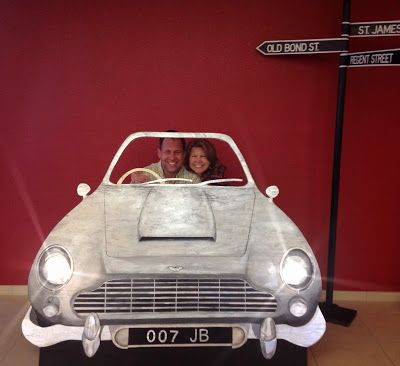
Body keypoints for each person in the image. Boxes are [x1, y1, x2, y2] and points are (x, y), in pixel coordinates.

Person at [131, 133, 200, 184]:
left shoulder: (193, 180)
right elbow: (131, 200)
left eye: (177, 152)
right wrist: (135, 185)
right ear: (159, 153)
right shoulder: (145, 174)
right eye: (167, 152)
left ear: (184, 154)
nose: (172, 157)